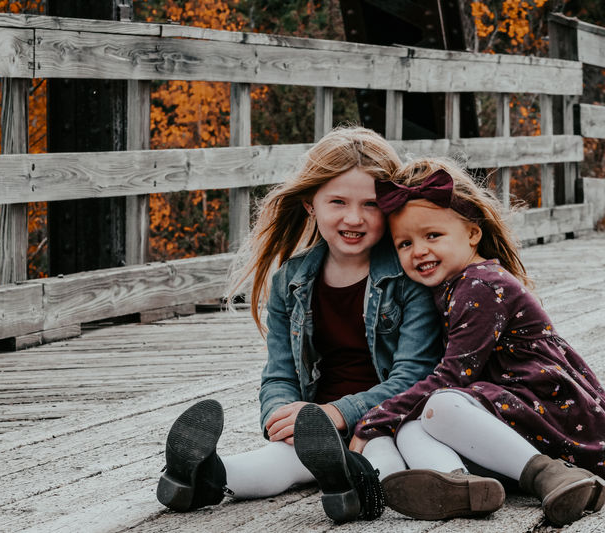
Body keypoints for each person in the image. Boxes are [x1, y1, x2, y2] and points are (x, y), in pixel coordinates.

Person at [294, 157, 605, 527]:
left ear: (472, 234)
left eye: (432, 236)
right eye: (405, 243)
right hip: (515, 418)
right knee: (412, 425)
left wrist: (374, 419)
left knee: (439, 404)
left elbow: (452, 376)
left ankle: (550, 475)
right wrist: (394, 419)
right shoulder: (452, 287)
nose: (418, 250)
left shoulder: (480, 286)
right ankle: (459, 485)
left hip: (561, 421)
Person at [155, 127, 442, 522]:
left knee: (383, 459)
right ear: (310, 204)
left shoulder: (408, 279)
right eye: (337, 202)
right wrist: (282, 417)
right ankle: (201, 479)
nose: (354, 218)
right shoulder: (290, 282)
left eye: (371, 204)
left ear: (390, 206)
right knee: (273, 462)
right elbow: (279, 374)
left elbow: (413, 377)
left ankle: (354, 489)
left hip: (384, 419)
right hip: (316, 427)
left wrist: (339, 413)